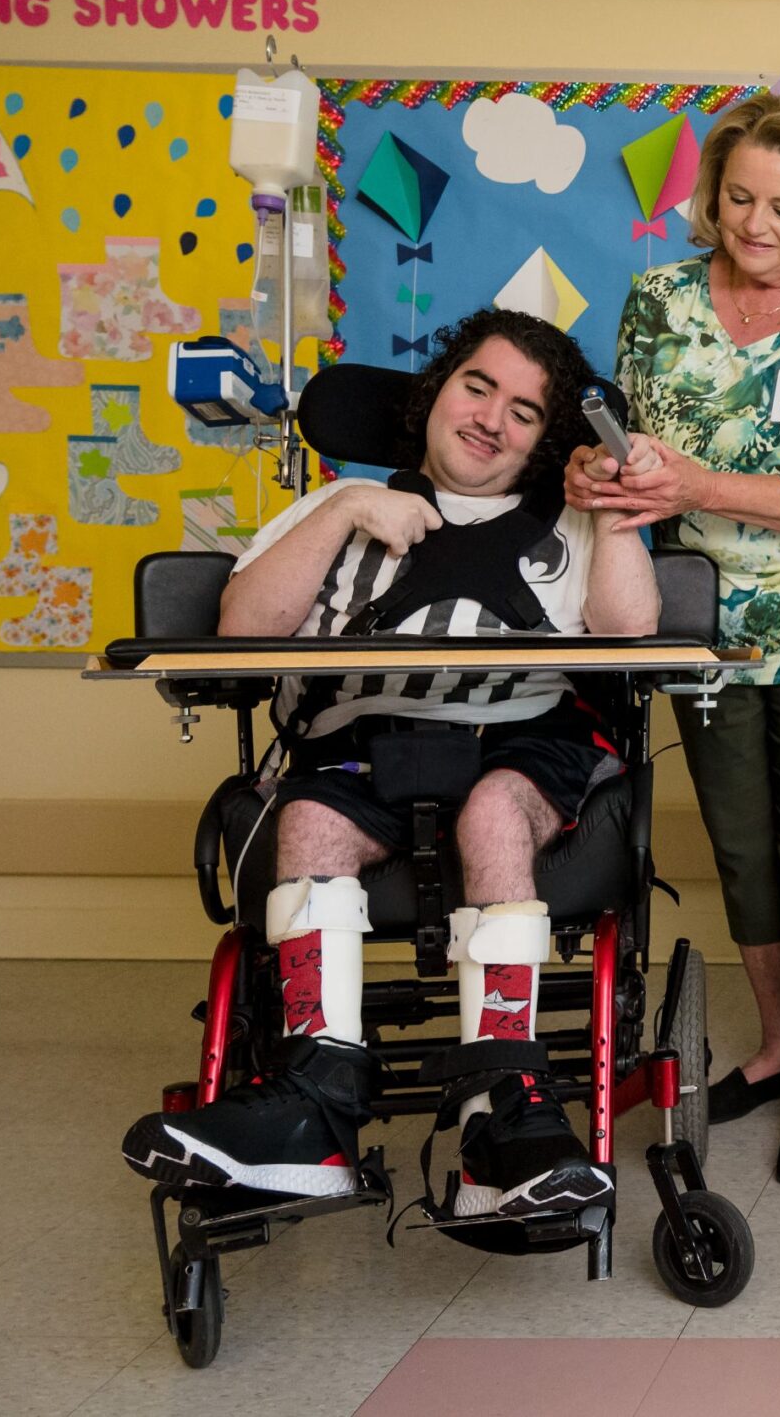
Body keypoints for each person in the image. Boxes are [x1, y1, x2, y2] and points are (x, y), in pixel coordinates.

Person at [123, 310, 661, 1219]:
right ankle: (311, 1107)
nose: (492, 418)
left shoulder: (571, 524)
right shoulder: (333, 510)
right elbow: (243, 630)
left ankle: (504, 1108)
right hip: (360, 738)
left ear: (548, 438)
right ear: (435, 394)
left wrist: (610, 514)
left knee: (494, 812)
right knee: (309, 819)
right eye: (477, 387)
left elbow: (630, 632)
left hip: (520, 736)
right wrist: (342, 507)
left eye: (526, 411)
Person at [568, 93, 780, 1186]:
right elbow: (630, 440)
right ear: (712, 195)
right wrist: (593, 475)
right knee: (743, 847)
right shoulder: (659, 298)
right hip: (702, 625)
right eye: (739, 198)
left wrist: (698, 481)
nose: (756, 223)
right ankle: (773, 1048)